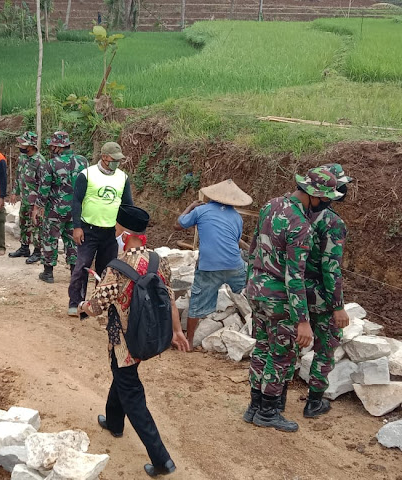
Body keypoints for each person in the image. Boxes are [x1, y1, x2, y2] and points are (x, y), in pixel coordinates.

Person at [79, 204, 189, 478]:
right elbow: (170, 296)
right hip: (150, 333)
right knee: (122, 374)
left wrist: (83, 305)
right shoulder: (159, 261)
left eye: (117, 229)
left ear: (124, 234)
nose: (115, 233)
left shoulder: (116, 268)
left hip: (124, 341)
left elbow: (97, 306)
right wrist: (177, 331)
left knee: (132, 393)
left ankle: (162, 460)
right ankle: (115, 422)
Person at [244, 166, 343, 433]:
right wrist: (302, 321)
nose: (325, 205)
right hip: (279, 300)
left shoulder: (271, 205)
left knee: (262, 348)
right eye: (325, 200)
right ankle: (268, 411)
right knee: (281, 355)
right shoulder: (300, 225)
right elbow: (294, 277)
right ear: (314, 195)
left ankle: (254, 406)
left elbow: (253, 246)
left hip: (257, 292)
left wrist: (249, 284)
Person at [173, 179, 252, 350]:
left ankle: (190, 342)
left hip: (209, 266)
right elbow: (235, 240)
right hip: (234, 265)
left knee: (197, 301)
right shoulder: (237, 217)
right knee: (247, 294)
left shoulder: (201, 210)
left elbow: (178, 224)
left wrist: (191, 206)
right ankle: (252, 331)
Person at [300, 163, 352, 418]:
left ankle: (274, 398)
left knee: (290, 342)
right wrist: (338, 306)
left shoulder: (297, 211)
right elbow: (331, 269)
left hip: (295, 289)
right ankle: (314, 401)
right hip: (320, 294)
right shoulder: (332, 221)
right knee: (326, 345)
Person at [68, 141, 133, 316]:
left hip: (111, 232)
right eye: (114, 159)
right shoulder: (87, 175)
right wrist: (77, 227)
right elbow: (76, 202)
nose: (117, 163)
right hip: (88, 229)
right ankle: (75, 303)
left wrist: (123, 227)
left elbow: (127, 205)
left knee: (106, 270)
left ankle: (99, 305)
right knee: (82, 266)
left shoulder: (122, 178)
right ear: (104, 157)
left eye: (119, 160)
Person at [34, 131, 88, 283]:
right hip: (77, 210)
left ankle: (48, 273)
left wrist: (38, 208)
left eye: (52, 145)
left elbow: (44, 190)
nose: (50, 148)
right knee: (73, 240)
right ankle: (74, 273)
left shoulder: (50, 164)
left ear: (58, 147)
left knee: (50, 239)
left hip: (55, 211)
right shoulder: (83, 161)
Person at [9, 131, 44, 263]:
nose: (20, 146)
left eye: (23, 143)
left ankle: (37, 252)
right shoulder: (23, 158)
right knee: (24, 224)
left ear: (31, 145)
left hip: (35, 202)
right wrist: (14, 192)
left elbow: (43, 184)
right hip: (24, 199)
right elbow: (19, 176)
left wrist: (39, 204)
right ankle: (24, 248)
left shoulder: (40, 161)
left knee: (36, 226)